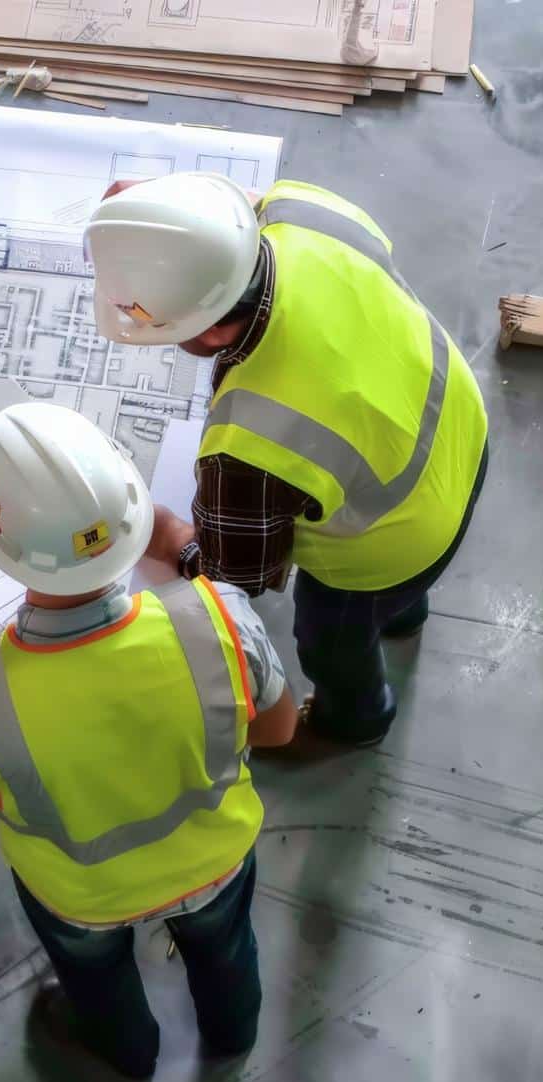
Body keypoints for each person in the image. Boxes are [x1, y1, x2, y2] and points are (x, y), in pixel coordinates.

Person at [0, 404, 296, 1078]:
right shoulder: (218, 616)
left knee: (96, 983)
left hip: (80, 896)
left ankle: (131, 1054)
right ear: (135, 513)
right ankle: (234, 1035)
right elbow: (279, 727)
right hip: (214, 864)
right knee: (227, 954)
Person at [84, 174, 489, 749]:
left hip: (393, 545)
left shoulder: (249, 444)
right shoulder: (305, 211)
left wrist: (172, 535)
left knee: (333, 639)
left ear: (216, 328)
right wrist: (160, 212)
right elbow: (244, 209)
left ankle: (353, 721)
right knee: (396, 598)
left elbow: (235, 578)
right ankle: (403, 615)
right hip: (459, 429)